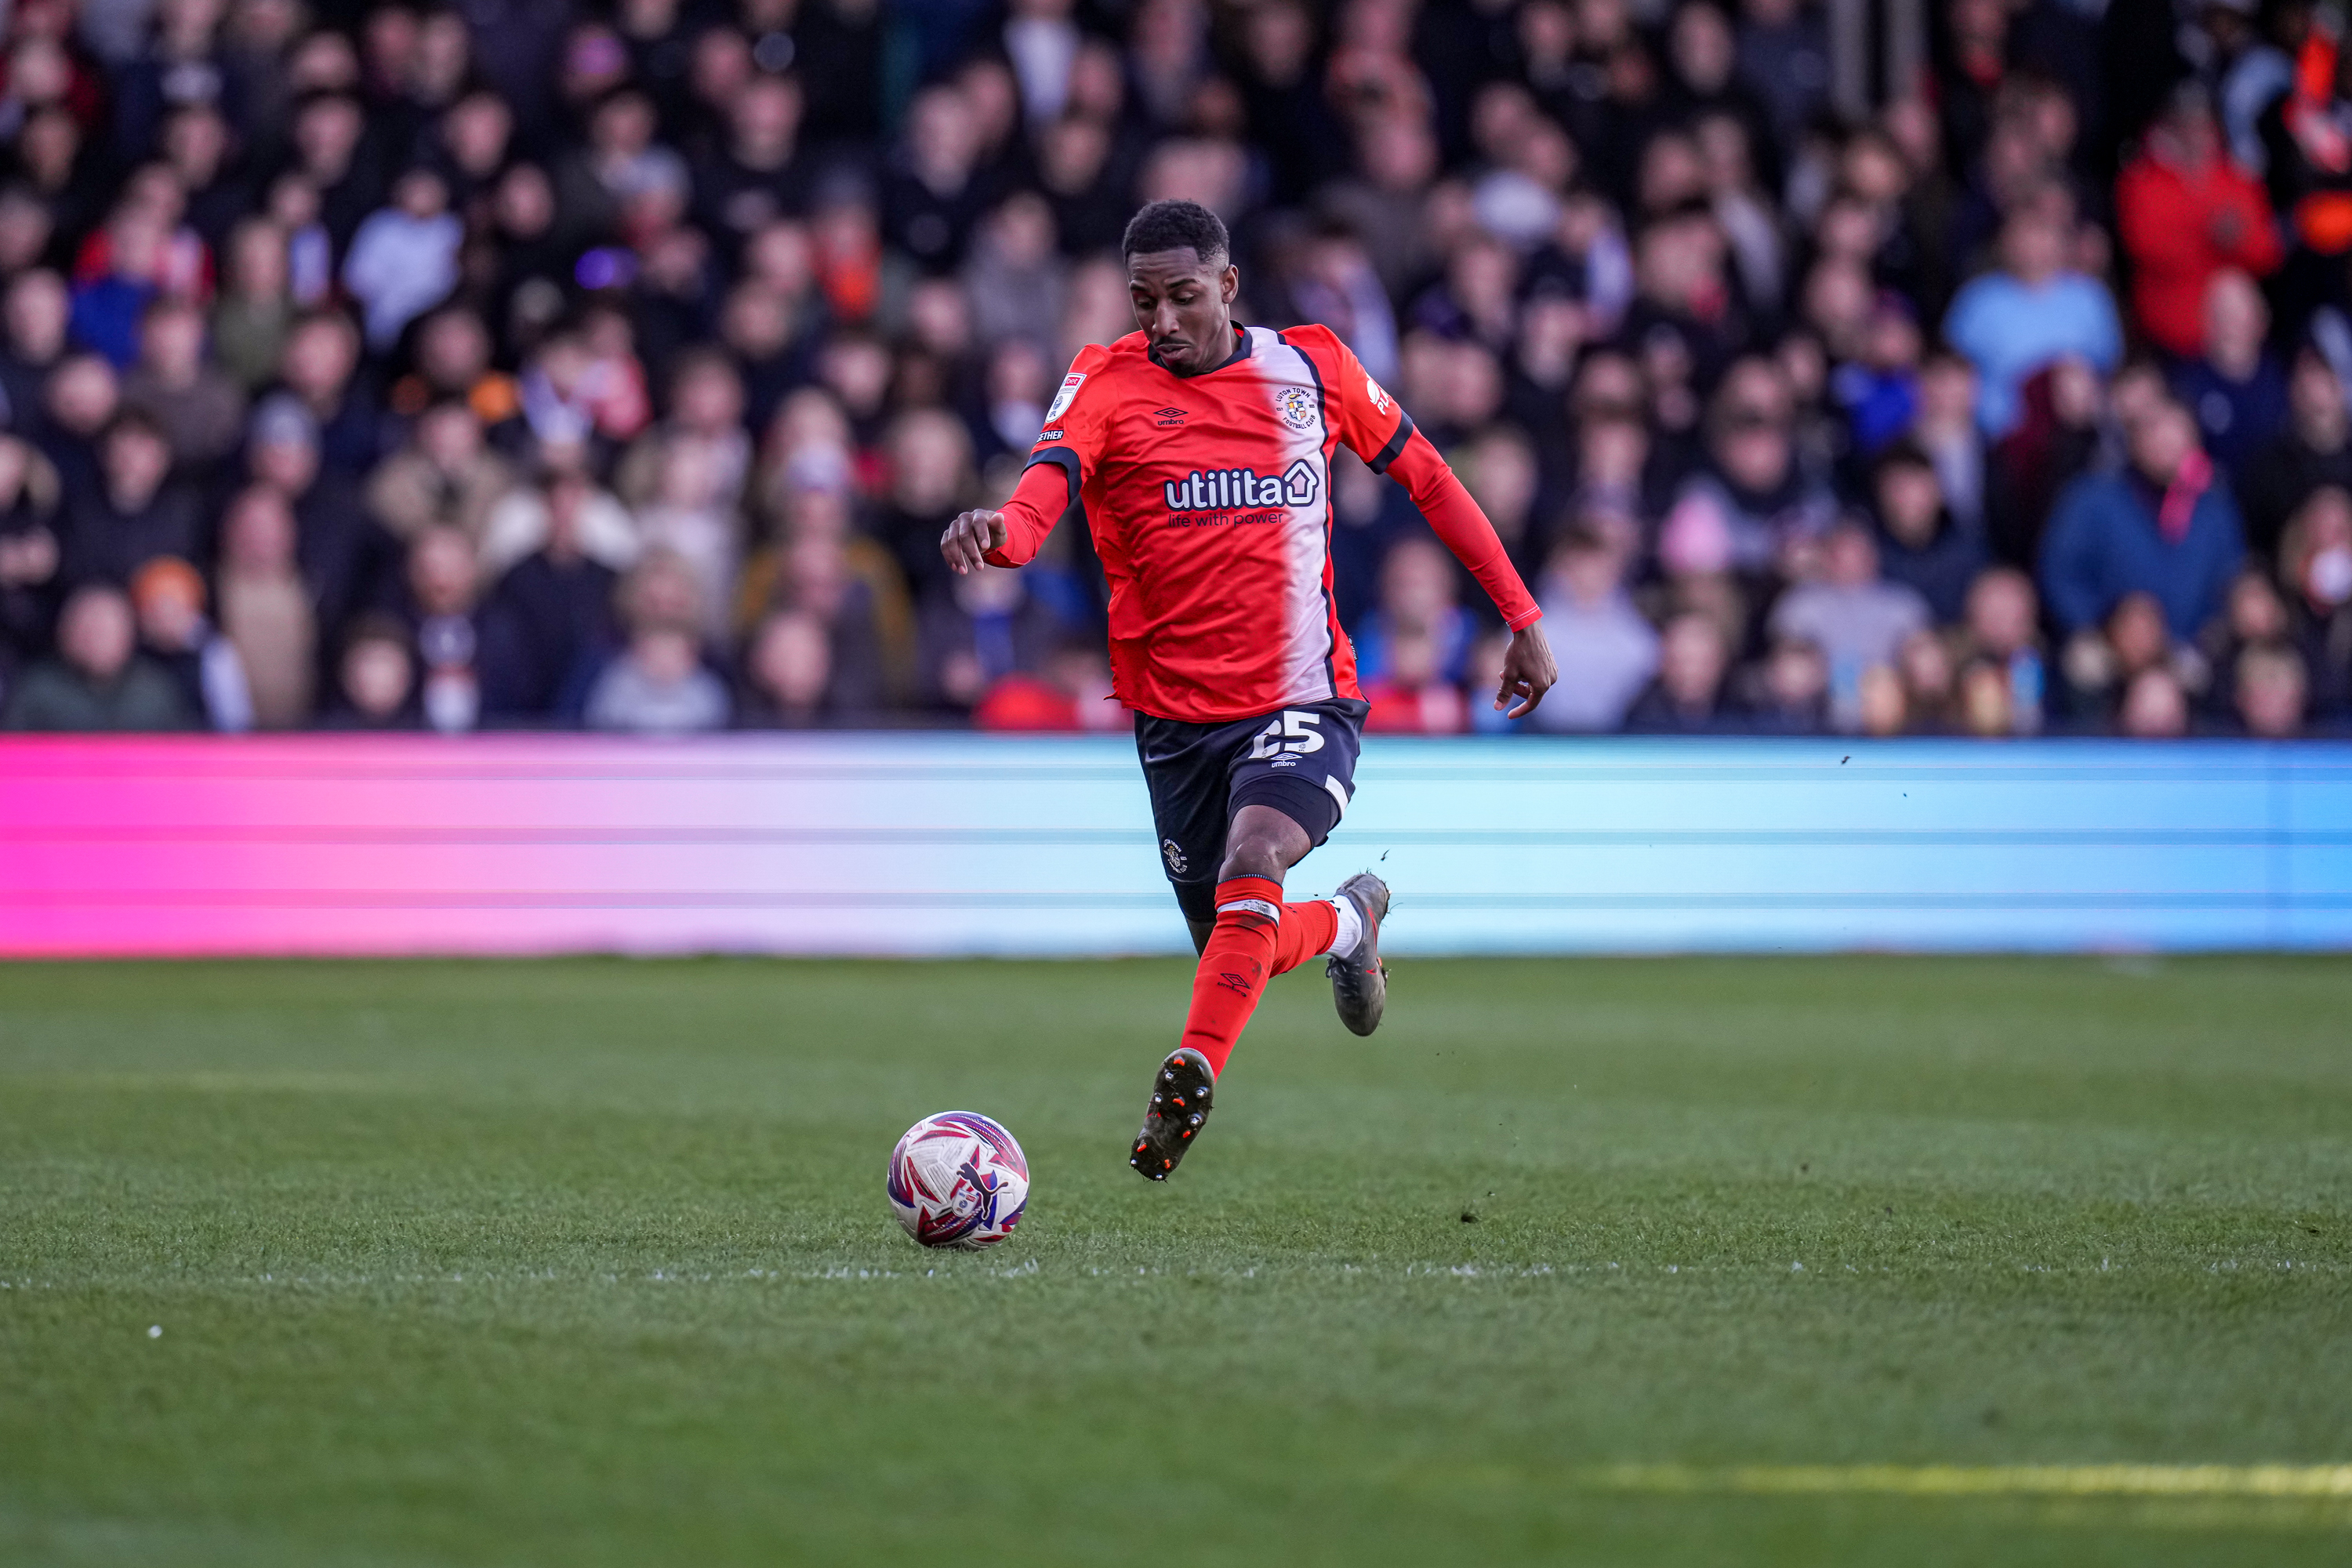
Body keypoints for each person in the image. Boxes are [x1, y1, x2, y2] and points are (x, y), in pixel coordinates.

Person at [938, 200, 1554, 1181]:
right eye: (1145, 302)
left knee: (1256, 859)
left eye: (1183, 297)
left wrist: (1520, 616)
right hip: (1175, 724)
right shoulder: (1102, 381)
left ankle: (1191, 1069)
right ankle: (1351, 921)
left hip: (1302, 699)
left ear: (1227, 286)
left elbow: (1430, 477)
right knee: (1237, 937)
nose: (1164, 321)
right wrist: (995, 533)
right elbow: (1038, 501)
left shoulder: (1313, 369)